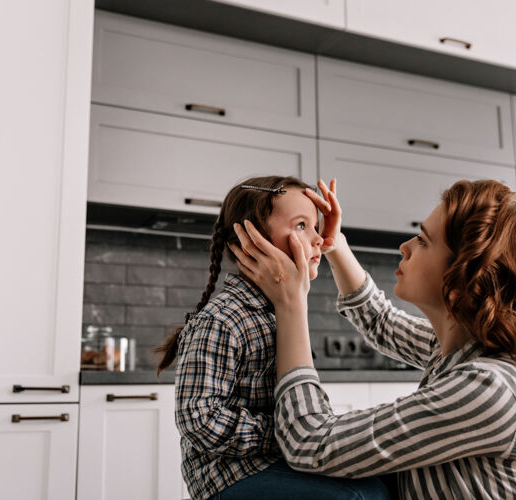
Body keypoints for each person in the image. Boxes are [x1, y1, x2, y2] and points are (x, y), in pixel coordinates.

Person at [230, 178, 516, 499]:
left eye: (424, 240)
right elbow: (379, 321)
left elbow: (312, 443)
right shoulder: (464, 350)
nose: (405, 246)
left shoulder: (490, 389)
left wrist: (290, 304)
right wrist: (333, 244)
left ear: (465, 279)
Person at [154, 176, 391, 500]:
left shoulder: (282, 311)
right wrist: (283, 434)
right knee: (358, 498)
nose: (319, 239)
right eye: (301, 225)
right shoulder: (222, 319)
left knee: (383, 485)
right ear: (251, 238)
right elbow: (199, 419)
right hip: (231, 476)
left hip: (280, 463)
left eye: (316, 226)